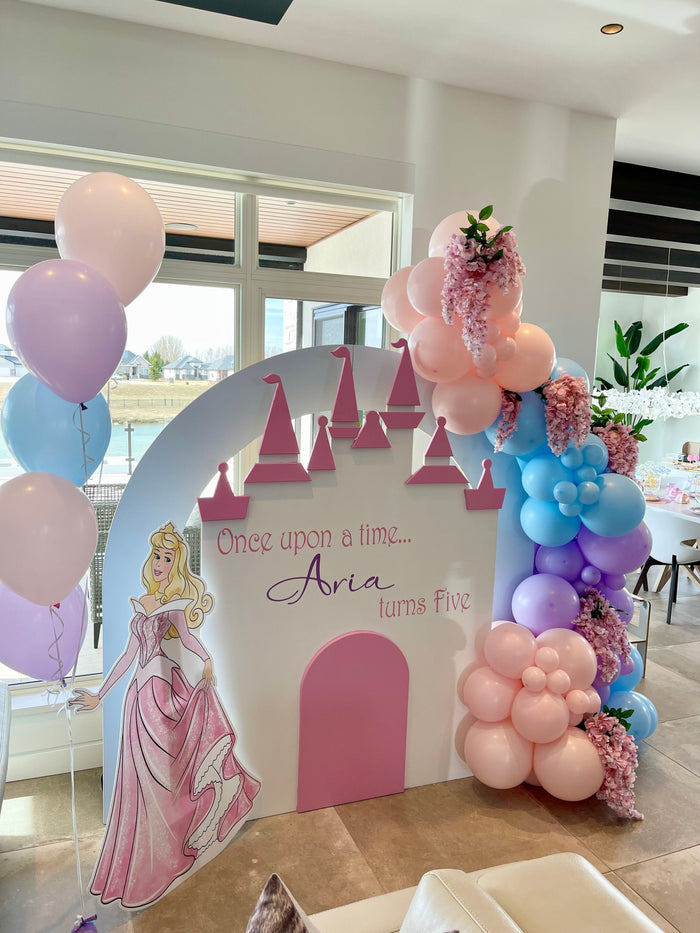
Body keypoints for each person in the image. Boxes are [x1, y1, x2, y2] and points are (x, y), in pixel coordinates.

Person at [69, 521, 261, 909]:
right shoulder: (142, 603)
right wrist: (100, 696)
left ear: (177, 564)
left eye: (167, 557)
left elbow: (187, 638)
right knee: (138, 786)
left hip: (161, 694)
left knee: (166, 780)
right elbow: (127, 656)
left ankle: (188, 831)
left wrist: (207, 660)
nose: (159, 563)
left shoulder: (172, 605)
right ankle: (143, 857)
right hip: (137, 703)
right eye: (157, 555)